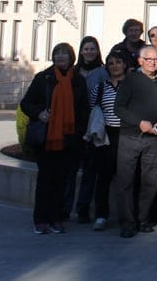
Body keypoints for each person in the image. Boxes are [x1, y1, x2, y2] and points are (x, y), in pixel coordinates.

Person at [21, 42, 90, 235]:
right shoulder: (43, 78)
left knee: (62, 180)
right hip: (47, 137)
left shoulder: (78, 80)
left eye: (64, 53)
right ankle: (40, 219)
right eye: (57, 53)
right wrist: (39, 113)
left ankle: (56, 218)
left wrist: (79, 133)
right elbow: (26, 103)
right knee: (45, 179)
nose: (60, 56)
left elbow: (84, 110)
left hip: (68, 138)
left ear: (71, 57)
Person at [114, 44, 157, 238]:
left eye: (156, 59)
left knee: (150, 182)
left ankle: (144, 219)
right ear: (140, 61)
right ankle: (127, 223)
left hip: (153, 139)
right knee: (126, 182)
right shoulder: (131, 81)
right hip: (130, 137)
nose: (153, 63)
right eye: (148, 59)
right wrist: (139, 123)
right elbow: (118, 108)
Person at [88, 51, 127, 231]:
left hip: (127, 134)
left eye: (118, 62)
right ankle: (101, 215)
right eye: (111, 63)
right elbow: (93, 109)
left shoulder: (132, 86)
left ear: (124, 64)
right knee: (103, 177)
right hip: (106, 136)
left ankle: (127, 216)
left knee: (127, 178)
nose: (115, 66)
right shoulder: (100, 88)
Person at [70, 35, 105, 224]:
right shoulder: (73, 72)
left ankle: (83, 208)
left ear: (97, 51)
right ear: (81, 51)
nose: (89, 52)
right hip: (74, 126)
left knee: (91, 170)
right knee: (70, 170)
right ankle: (65, 207)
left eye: (92, 49)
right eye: (86, 49)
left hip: (92, 127)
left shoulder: (103, 72)